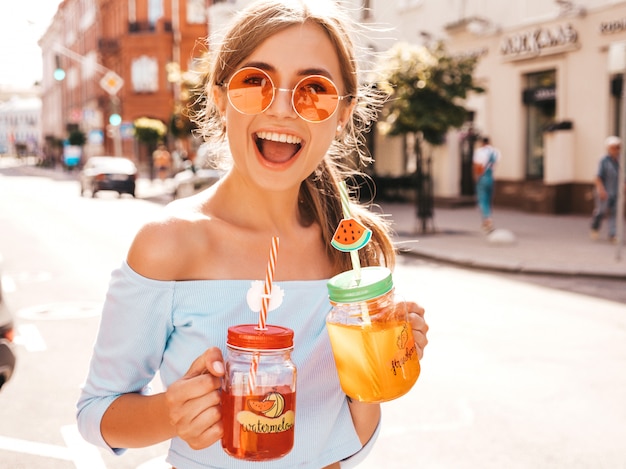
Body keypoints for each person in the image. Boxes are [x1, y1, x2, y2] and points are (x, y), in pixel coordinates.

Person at [76, 1, 429, 468]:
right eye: (254, 82)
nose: (282, 108)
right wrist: (171, 413)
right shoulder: (169, 243)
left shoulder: (352, 250)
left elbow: (349, 438)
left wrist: (383, 366)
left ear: (343, 113)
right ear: (220, 97)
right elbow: (96, 413)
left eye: (314, 90)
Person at [590, 136, 623, 244]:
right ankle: (595, 226)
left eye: (617, 148)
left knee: (614, 213)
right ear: (608, 148)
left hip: (616, 192)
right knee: (601, 212)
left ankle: (612, 235)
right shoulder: (603, 160)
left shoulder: (621, 161)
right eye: (613, 148)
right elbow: (598, 177)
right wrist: (601, 190)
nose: (615, 150)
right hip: (604, 191)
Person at [473, 136, 500, 233]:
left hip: (482, 177)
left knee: (482, 200)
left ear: (482, 143)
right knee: (488, 200)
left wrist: (476, 177)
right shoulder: (496, 152)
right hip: (491, 177)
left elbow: (478, 166)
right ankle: (486, 220)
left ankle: (487, 219)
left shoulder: (480, 152)